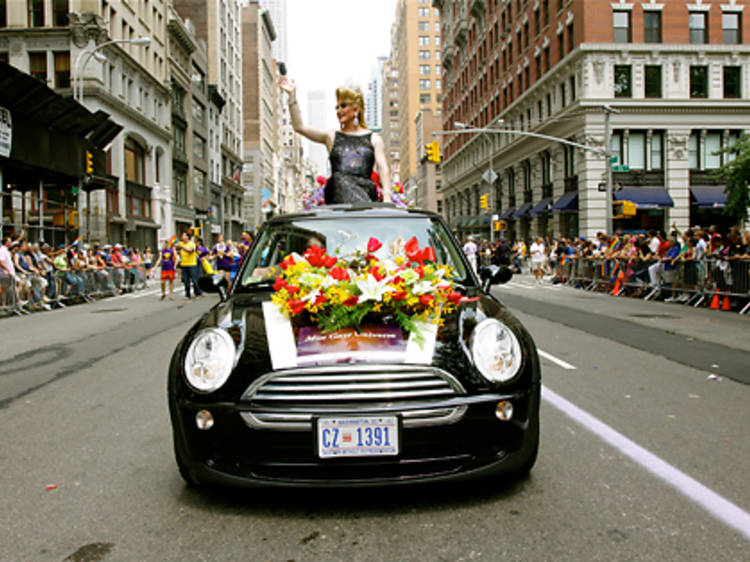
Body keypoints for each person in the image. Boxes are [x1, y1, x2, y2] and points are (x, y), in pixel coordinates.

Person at [279, 75, 392, 204]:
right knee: (337, 179)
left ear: (356, 109)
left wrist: (387, 197)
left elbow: (383, 168)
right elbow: (299, 127)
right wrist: (292, 96)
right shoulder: (331, 137)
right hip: (338, 198)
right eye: (337, 107)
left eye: (343, 106)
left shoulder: (374, 139)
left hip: (366, 198)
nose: (339, 111)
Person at [175, 231, 202, 299]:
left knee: (194, 280)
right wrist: (174, 244)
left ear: (187, 237)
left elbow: (190, 251)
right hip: (183, 264)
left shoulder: (192, 244)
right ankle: (187, 294)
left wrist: (182, 246)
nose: (182, 236)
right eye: (182, 235)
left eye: (184, 235)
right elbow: (174, 246)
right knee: (185, 281)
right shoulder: (180, 243)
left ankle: (197, 293)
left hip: (192, 264)